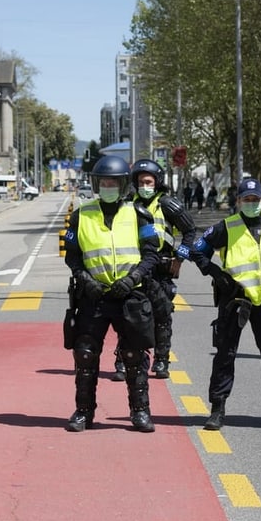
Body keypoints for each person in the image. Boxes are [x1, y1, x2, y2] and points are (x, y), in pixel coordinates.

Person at [63, 154, 161, 432]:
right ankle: (83, 412)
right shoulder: (81, 215)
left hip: (129, 296)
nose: (108, 186)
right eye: (103, 182)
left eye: (113, 182)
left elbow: (152, 255)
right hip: (94, 297)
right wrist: (85, 279)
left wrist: (133, 279)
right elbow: (72, 257)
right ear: (96, 184)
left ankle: (140, 412)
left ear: (123, 186)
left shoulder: (140, 215)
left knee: (133, 356)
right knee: (85, 354)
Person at [193, 177, 261, 432]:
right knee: (225, 355)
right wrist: (216, 274)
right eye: (246, 199)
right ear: (238, 201)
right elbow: (196, 249)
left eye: (255, 199)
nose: (251, 203)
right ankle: (217, 409)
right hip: (234, 299)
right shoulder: (226, 227)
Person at [128, 158, 197, 378]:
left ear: (157, 182)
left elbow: (190, 231)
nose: (144, 186)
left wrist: (179, 259)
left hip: (162, 267)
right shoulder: (128, 204)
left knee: (162, 316)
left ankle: (161, 361)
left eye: (148, 181)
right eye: (140, 182)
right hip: (135, 268)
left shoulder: (167, 204)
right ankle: (125, 360)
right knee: (130, 317)